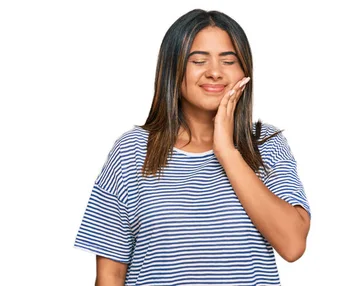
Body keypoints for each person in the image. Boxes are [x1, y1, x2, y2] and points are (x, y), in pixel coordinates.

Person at [73, 9, 311, 286]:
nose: (214, 72)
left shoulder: (266, 144)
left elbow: (293, 245)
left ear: (245, 71)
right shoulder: (132, 151)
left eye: (228, 61)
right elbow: (110, 274)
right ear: (172, 69)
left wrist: (227, 152)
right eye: (198, 60)